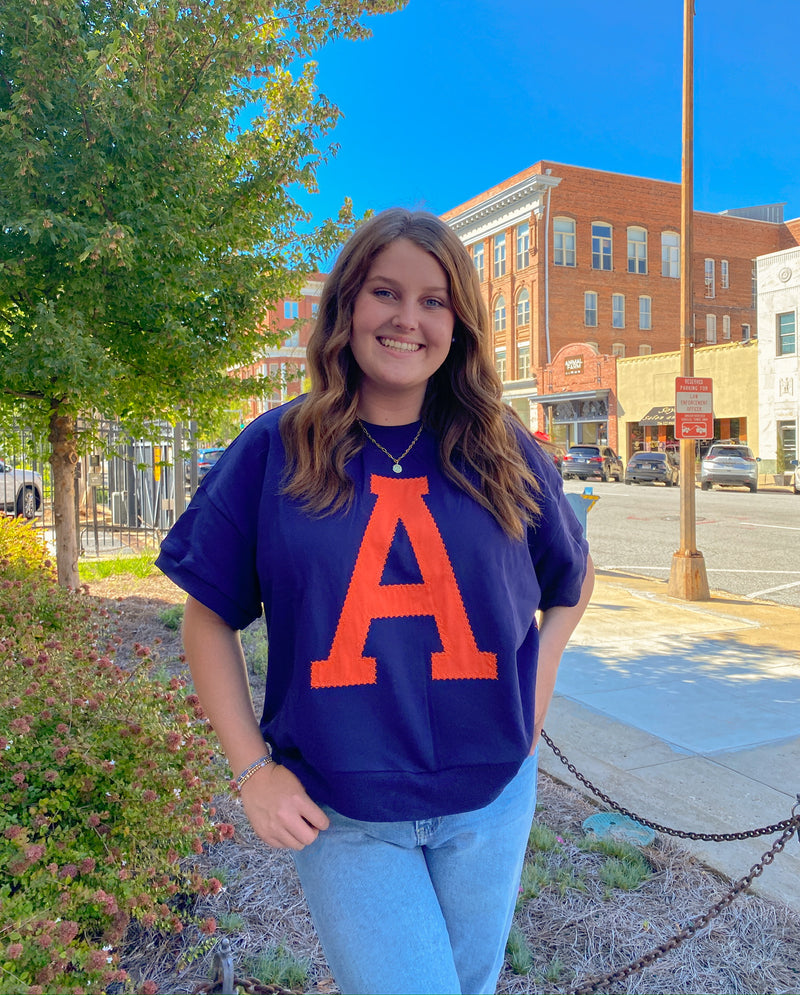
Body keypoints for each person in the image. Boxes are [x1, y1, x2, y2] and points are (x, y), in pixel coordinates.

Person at [156, 208, 594, 995]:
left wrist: (542, 673)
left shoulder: (502, 446)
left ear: (457, 321)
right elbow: (207, 613)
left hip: (491, 795)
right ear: (347, 305)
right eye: (385, 292)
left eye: (434, 300)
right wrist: (251, 766)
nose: (408, 318)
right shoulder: (277, 447)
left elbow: (573, 576)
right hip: (343, 807)